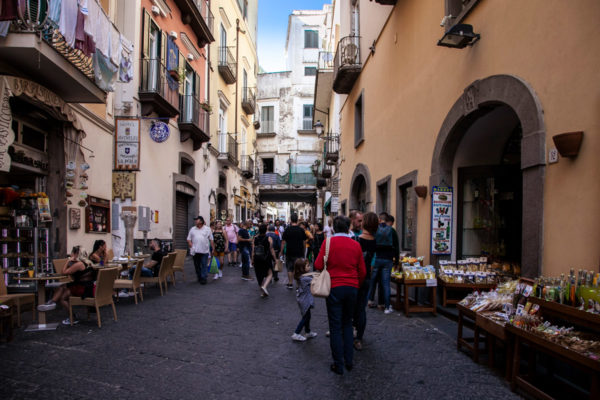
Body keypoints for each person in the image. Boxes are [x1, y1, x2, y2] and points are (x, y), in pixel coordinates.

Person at [314, 216, 366, 375]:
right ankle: (349, 360)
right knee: (348, 324)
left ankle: (338, 364)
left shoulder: (328, 242)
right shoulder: (356, 244)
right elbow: (362, 271)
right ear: (348, 227)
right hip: (352, 288)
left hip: (334, 288)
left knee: (335, 326)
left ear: (334, 228)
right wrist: (356, 284)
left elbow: (317, 265)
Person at [37, 246, 96, 325]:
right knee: (63, 288)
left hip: (82, 289)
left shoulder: (78, 264)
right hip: (88, 287)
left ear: (76, 254)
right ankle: (52, 302)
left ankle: (69, 314)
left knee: (63, 295)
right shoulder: (88, 262)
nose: (70, 255)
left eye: (72, 253)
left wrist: (68, 261)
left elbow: (63, 272)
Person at [353, 212, 378, 350]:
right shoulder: (375, 241)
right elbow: (373, 262)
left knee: (352, 306)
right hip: (367, 277)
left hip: (356, 277)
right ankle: (359, 338)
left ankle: (351, 330)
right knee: (361, 308)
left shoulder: (356, 240)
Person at [368, 212, 396, 314]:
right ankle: (387, 307)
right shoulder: (392, 230)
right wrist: (396, 261)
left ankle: (369, 300)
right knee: (385, 284)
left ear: (380, 219)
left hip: (377, 258)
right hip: (388, 259)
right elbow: (396, 247)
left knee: (373, 281)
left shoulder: (375, 230)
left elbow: (372, 244)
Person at [291, 258, 317, 342]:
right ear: (302, 268)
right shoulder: (305, 278)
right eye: (308, 266)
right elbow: (315, 280)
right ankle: (296, 333)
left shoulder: (301, 277)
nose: (310, 267)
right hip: (305, 300)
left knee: (307, 316)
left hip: (302, 299)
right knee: (305, 317)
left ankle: (308, 331)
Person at [281, 214, 307, 290]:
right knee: (298, 268)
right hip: (299, 252)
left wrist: (281, 252)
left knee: (290, 268)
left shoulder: (287, 229)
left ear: (291, 220)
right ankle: (298, 285)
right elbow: (304, 242)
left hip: (289, 251)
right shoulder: (301, 230)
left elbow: (283, 242)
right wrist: (304, 250)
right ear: (297, 220)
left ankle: (290, 283)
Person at [187, 216, 214, 284]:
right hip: (195, 251)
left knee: (204, 264)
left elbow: (211, 239)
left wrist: (213, 249)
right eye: (195, 220)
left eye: (197, 220)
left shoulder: (207, 229)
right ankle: (199, 276)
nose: (195, 221)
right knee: (197, 265)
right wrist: (190, 244)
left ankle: (204, 278)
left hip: (204, 251)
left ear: (201, 221)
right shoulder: (192, 229)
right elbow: (188, 239)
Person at [252, 224, 277, 296]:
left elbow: (253, 250)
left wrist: (252, 259)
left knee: (259, 275)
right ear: (266, 230)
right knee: (270, 273)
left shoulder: (255, 238)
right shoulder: (269, 238)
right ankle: (265, 286)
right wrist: (275, 259)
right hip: (266, 258)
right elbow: (271, 250)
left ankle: (263, 292)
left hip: (257, 258)